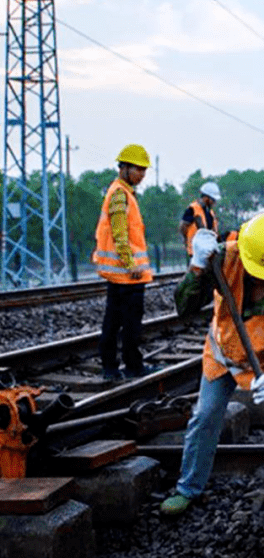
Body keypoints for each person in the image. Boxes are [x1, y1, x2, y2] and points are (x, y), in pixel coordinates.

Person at [160, 214, 264, 516]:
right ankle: (188, 487)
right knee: (207, 414)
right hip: (226, 353)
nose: (263, 278)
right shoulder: (223, 259)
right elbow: (184, 307)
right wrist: (197, 268)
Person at [94, 144, 154, 381]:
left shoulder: (122, 192)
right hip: (127, 275)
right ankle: (130, 367)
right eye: (138, 169)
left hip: (123, 274)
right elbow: (120, 236)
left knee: (116, 321)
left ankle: (114, 367)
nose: (141, 174)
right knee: (127, 325)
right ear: (124, 167)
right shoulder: (120, 194)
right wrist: (131, 265)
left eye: (144, 170)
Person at [180, 181, 221, 257]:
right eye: (213, 199)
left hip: (208, 251)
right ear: (206, 198)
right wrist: (186, 242)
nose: (214, 202)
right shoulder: (192, 209)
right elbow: (183, 227)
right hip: (196, 252)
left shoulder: (210, 213)